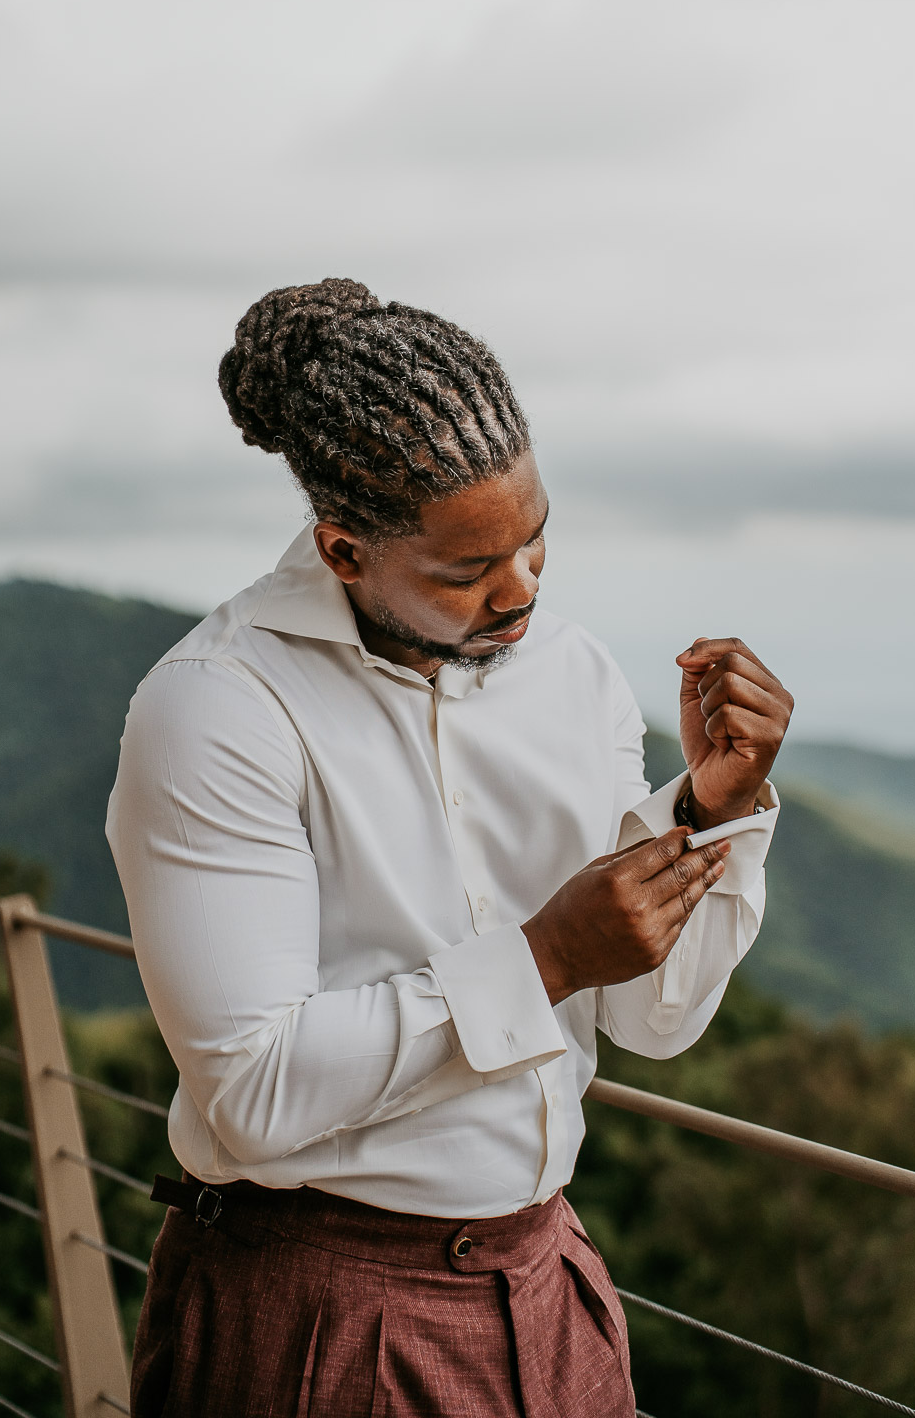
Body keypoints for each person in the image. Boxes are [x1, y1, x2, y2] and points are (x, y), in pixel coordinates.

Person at [106, 278, 793, 1418]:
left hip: (549, 1284)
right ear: (342, 551)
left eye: (533, 542)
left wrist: (713, 817)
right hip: (317, 1310)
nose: (520, 593)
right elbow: (251, 1095)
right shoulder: (218, 709)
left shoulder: (574, 676)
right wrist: (542, 961)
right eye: (468, 571)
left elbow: (651, 1020)